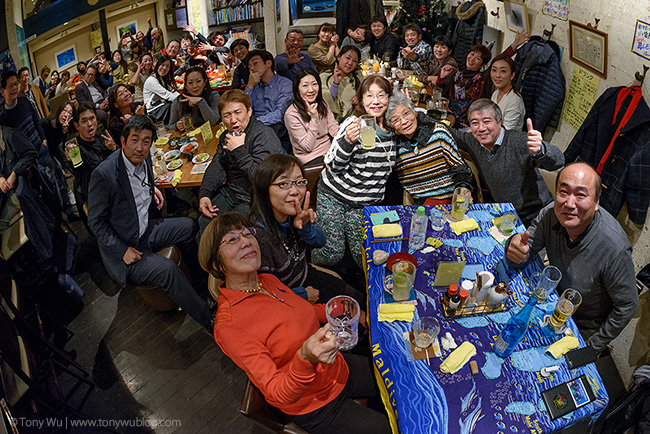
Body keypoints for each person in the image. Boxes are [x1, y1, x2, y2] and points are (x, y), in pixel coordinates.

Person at [198, 212, 391, 434]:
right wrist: (305, 358)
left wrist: (347, 316)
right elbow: (277, 391)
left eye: (247, 233)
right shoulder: (229, 327)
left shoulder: (266, 280)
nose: (246, 241)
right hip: (313, 403)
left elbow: (304, 311)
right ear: (217, 263)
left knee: (398, 377)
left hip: (336, 367)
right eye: (232, 239)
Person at [88, 115, 212, 328]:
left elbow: (140, 182)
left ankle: (201, 285)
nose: (140, 147)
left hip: (145, 229)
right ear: (123, 142)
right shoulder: (104, 174)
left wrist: (150, 189)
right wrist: (121, 250)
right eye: (134, 140)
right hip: (127, 247)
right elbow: (95, 222)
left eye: (146, 141)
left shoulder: (145, 157)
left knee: (189, 226)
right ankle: (209, 320)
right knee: (167, 270)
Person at [505, 163, 639, 354]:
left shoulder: (614, 248)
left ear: (596, 202)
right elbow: (522, 254)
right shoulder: (550, 214)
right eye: (564, 192)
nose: (569, 204)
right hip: (552, 299)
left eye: (581, 195)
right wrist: (513, 247)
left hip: (582, 323)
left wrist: (593, 346)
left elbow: (628, 304)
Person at [249, 154, 365, 305]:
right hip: (286, 300)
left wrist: (306, 227)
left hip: (305, 275)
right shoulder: (257, 238)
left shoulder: (291, 214)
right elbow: (263, 295)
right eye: (284, 184)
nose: (295, 191)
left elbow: (321, 242)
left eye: (299, 182)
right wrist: (302, 295)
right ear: (264, 189)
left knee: (362, 301)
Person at [312, 75, 395, 268]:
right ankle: (311, 270)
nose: (375, 101)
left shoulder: (395, 126)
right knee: (332, 252)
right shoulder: (353, 124)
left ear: (390, 98)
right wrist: (347, 142)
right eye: (369, 96)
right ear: (361, 99)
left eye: (381, 95)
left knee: (364, 256)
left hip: (363, 203)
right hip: (335, 196)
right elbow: (332, 165)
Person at [450, 99, 564, 226]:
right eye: (475, 123)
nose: (481, 128)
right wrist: (424, 117)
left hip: (535, 218)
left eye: (487, 121)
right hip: (505, 215)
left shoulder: (519, 142)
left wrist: (541, 150)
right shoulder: (473, 141)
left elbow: (559, 160)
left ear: (499, 122)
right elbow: (451, 133)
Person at [198, 90, 282, 233]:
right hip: (232, 193)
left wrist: (239, 150)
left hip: (257, 199)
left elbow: (262, 180)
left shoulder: (263, 135)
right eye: (227, 115)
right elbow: (218, 164)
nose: (233, 120)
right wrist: (204, 193)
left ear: (249, 111)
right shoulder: (227, 135)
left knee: (229, 230)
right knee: (205, 224)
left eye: (238, 112)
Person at [386, 92, 473, 204]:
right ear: (392, 127)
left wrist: (463, 189)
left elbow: (460, 169)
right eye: (396, 120)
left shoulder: (438, 133)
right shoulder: (395, 148)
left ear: (415, 111)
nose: (404, 122)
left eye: (406, 113)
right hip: (422, 206)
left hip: (451, 201)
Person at [284, 68, 338, 165]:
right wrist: (314, 119)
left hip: (330, 151)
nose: (311, 90)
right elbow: (307, 147)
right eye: (305, 86)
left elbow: (334, 129)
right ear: (297, 89)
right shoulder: (291, 114)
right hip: (311, 158)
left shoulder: (322, 103)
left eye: (314, 84)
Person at [69, 103, 118, 205]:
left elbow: (120, 161)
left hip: (114, 186)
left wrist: (114, 148)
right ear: (77, 126)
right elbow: (79, 174)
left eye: (92, 118)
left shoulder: (103, 137)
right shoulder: (76, 148)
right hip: (97, 196)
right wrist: (71, 160)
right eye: (84, 121)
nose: (90, 124)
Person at [245, 50, 293, 146]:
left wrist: (253, 123)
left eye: (255, 63)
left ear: (268, 63)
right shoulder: (253, 86)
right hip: (255, 131)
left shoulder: (285, 84)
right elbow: (245, 110)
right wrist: (249, 86)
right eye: (249, 66)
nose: (252, 69)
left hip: (278, 130)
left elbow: (279, 114)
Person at [0, 125, 38, 233]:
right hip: (8, 192)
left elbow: (31, 153)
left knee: (1, 225)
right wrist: (1, 178)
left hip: (21, 190)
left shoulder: (11, 134)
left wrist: (14, 173)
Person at [443, 44, 492, 128]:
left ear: (483, 65)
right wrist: (442, 77)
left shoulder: (481, 78)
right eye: (472, 54)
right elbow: (443, 94)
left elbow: (496, 63)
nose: (472, 59)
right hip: (447, 117)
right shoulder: (457, 74)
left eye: (478, 58)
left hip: (465, 125)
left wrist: (513, 47)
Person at [168, 66, 220, 131]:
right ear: (186, 86)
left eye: (198, 81)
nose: (195, 86)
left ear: (205, 82)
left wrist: (200, 101)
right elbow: (170, 126)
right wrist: (177, 126)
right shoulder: (179, 101)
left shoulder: (213, 95)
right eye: (190, 83)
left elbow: (213, 121)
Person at [320, 45, 363, 123]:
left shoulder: (357, 76)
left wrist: (359, 97)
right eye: (348, 58)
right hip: (331, 123)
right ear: (339, 57)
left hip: (354, 121)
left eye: (354, 61)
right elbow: (326, 103)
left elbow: (365, 93)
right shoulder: (324, 77)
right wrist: (335, 83)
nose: (350, 63)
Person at [490, 53, 525, 131]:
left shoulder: (515, 100)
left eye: (503, 71)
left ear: (512, 76)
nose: (497, 75)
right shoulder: (495, 94)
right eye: (494, 70)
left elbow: (506, 132)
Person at [143, 55, 179, 123]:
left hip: (162, 106)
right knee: (174, 106)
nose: (164, 68)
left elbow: (172, 91)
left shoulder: (162, 78)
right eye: (162, 65)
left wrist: (184, 97)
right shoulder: (151, 80)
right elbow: (167, 95)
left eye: (167, 66)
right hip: (154, 112)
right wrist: (182, 99)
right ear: (157, 65)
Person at [41, 102, 76, 170]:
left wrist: (64, 132)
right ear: (60, 111)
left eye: (69, 113)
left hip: (54, 150)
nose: (66, 115)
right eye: (64, 110)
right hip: (44, 152)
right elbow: (52, 147)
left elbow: (64, 148)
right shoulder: (46, 123)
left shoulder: (66, 126)